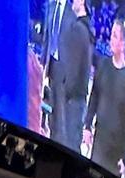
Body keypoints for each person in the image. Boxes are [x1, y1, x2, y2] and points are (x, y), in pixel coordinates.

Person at [84, 13, 125, 176]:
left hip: (114, 153)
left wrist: (123, 156)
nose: (111, 40)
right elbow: (94, 97)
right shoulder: (103, 65)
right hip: (98, 141)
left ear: (123, 42)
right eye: (111, 35)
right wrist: (87, 126)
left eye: (115, 36)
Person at [47, 0, 93, 151]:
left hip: (71, 102)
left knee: (65, 145)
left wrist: (63, 92)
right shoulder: (85, 29)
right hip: (73, 100)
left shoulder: (79, 29)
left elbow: (73, 73)